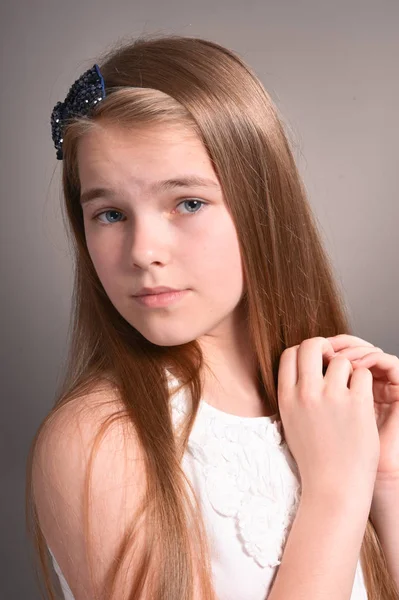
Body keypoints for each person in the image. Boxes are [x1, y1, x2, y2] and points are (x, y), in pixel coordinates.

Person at [26, 34, 399, 600]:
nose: (142, 251)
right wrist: (335, 491)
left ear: (261, 205)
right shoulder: (99, 441)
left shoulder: (331, 409)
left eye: (188, 203)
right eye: (109, 213)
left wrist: (384, 482)